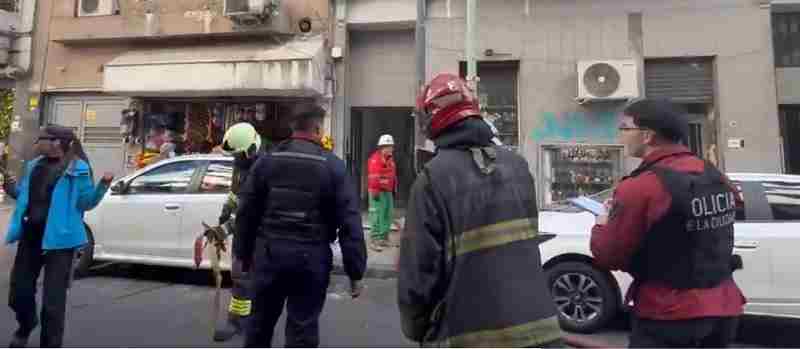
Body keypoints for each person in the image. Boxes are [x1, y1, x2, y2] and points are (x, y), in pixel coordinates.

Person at [397, 73, 564, 347]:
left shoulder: (432, 178)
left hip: (473, 335)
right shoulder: (518, 166)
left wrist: (417, 327)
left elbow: (418, 273)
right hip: (542, 333)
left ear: (431, 120)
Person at [590, 98, 746, 348]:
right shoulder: (713, 174)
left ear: (647, 136)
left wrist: (602, 223)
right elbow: (734, 206)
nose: (620, 135)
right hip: (724, 307)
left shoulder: (640, 187)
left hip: (669, 313)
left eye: (624, 128)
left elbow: (609, 255)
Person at [235, 103, 367, 347]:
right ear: (317, 128)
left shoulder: (266, 162)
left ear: (293, 127)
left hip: (268, 257)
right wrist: (355, 272)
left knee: (258, 327)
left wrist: (242, 256)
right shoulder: (333, 167)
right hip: (311, 260)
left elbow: (246, 212)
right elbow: (350, 222)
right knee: (302, 332)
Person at [4, 125, 113, 348]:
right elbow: (26, 196)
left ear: (56, 142)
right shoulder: (34, 165)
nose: (37, 143)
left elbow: (86, 203)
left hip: (61, 242)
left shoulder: (78, 168)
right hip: (31, 237)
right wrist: (11, 189)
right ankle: (26, 324)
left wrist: (103, 185)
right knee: (18, 293)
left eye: (41, 139)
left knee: (53, 303)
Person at [212, 123, 263, 342]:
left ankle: (240, 323)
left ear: (251, 150)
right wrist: (224, 215)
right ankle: (243, 322)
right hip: (244, 232)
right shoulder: (241, 165)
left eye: (237, 154)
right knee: (242, 278)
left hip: (257, 235)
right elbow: (235, 195)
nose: (235, 159)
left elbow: (250, 212)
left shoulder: (262, 170)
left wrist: (224, 229)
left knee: (245, 278)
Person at [366, 134, 397, 252]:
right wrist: (375, 190)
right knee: (376, 215)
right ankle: (374, 240)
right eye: (389, 146)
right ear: (383, 147)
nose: (391, 149)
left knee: (387, 215)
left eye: (392, 146)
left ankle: (383, 238)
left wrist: (393, 189)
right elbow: (374, 175)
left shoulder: (390, 159)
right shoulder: (375, 159)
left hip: (387, 191)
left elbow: (392, 175)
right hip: (378, 191)